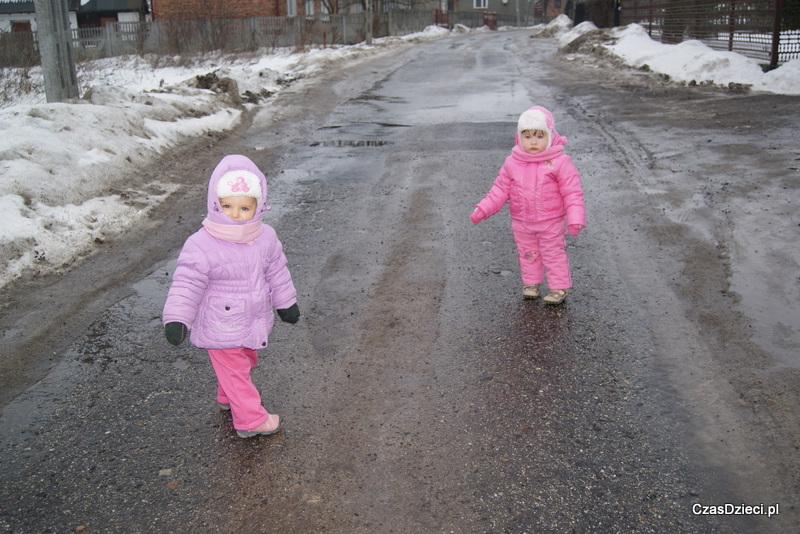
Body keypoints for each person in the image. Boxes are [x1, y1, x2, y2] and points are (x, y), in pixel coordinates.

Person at [162, 154, 299, 438]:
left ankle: (227, 397)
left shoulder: (266, 237)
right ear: (215, 203)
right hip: (219, 323)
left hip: (251, 319)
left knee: (246, 360)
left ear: (258, 206)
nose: (235, 214)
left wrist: (286, 303)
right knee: (236, 368)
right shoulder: (201, 244)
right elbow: (186, 283)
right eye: (227, 206)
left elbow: (277, 272)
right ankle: (251, 420)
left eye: (244, 207)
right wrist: (177, 319)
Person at [470, 106, 586, 304]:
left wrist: (575, 218)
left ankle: (559, 287)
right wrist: (483, 209)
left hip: (550, 221)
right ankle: (531, 283)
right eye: (528, 136)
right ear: (519, 137)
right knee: (528, 254)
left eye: (540, 136)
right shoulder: (512, 163)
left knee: (553, 254)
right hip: (522, 221)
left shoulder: (559, 162)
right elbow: (499, 190)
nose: (533, 142)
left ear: (550, 136)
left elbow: (572, 192)